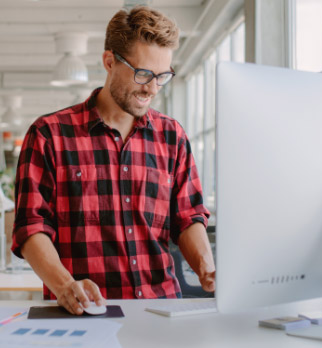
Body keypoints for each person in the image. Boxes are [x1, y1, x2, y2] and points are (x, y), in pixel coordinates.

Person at [11, 6, 215, 315]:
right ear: (109, 62)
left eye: (163, 76)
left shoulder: (173, 136)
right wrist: (65, 285)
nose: (152, 88)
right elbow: (31, 227)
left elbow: (188, 217)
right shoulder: (48, 135)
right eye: (143, 73)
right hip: (85, 315)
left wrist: (207, 269)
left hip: (161, 313)